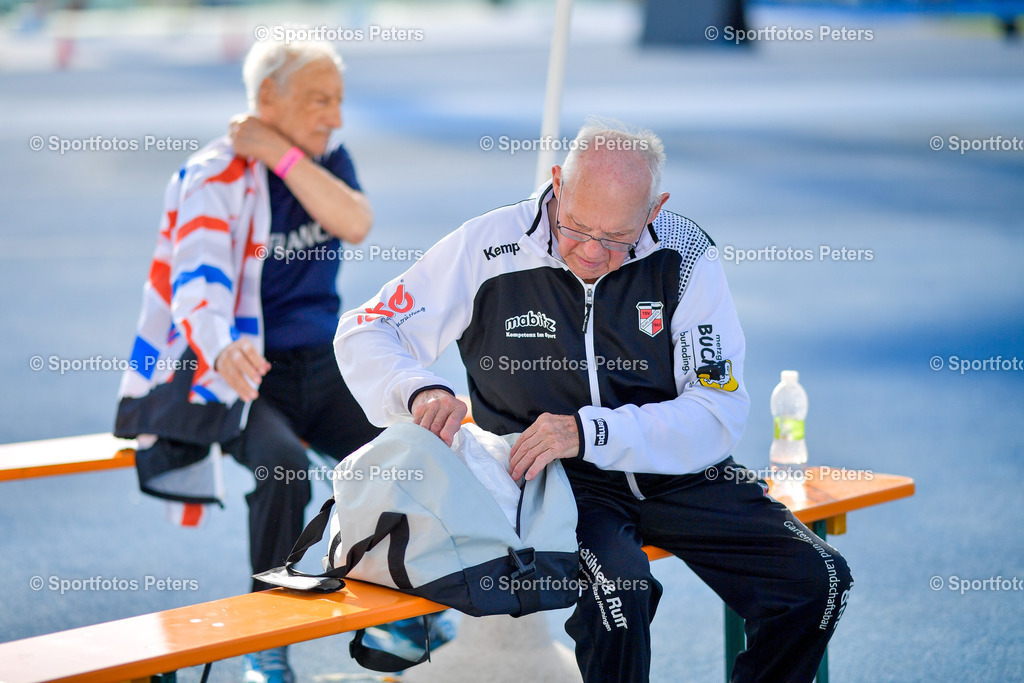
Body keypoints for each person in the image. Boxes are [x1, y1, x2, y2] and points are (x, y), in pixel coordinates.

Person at [334, 118, 854, 682]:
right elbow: (366, 328)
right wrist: (418, 388)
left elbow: (718, 409)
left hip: (678, 472)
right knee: (619, 605)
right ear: (557, 184)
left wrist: (591, 430)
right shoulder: (486, 245)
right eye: (576, 227)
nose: (588, 251)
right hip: (558, 482)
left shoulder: (687, 255)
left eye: (613, 239)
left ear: (655, 212)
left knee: (819, 580)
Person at [114, 38, 381, 683]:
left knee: (398, 458)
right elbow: (195, 277)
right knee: (286, 467)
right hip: (240, 373)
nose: (335, 117)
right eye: (320, 101)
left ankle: (392, 612)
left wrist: (282, 154)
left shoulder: (326, 158)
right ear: (268, 99)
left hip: (319, 363)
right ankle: (269, 642)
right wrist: (218, 341)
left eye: (339, 101)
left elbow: (355, 221)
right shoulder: (214, 175)